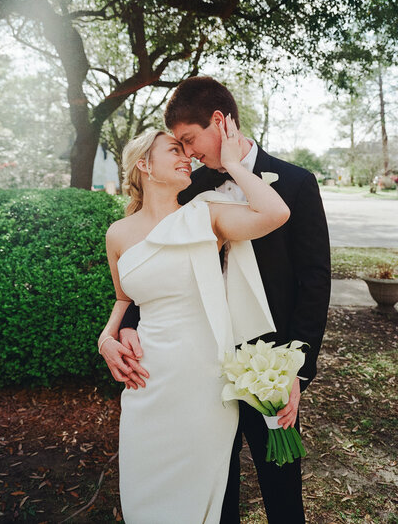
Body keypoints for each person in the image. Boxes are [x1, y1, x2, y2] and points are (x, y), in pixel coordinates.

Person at [118, 77, 331, 523]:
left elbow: (314, 281)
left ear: (219, 121)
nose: (189, 154)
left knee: (281, 485)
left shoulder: (295, 181)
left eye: (191, 141)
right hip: (201, 366)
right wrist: (121, 329)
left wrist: (298, 369)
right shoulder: (189, 191)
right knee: (217, 485)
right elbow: (154, 266)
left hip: (269, 363)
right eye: (179, 147)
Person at [98, 121, 290, 524]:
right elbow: (123, 297)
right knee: (143, 497)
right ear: (145, 166)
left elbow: (275, 212)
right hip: (147, 382)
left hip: (203, 384)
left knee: (200, 499)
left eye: (186, 150)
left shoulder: (207, 215)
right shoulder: (117, 234)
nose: (187, 156)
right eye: (174, 150)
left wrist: (236, 165)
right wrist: (105, 336)